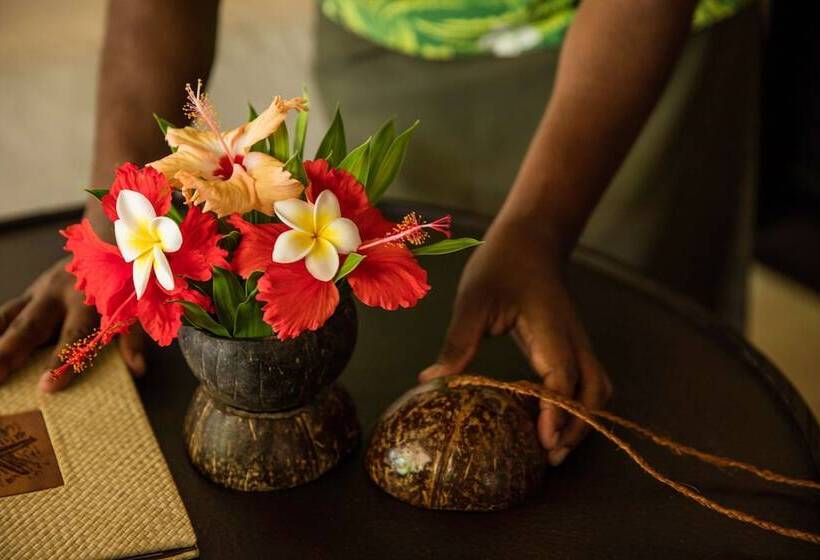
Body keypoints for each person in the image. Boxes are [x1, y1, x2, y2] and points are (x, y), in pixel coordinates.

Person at [0, 0, 758, 468]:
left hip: (637, 50)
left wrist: (540, 228)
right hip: (394, 38)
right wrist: (116, 231)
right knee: (385, 309)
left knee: (625, 374)